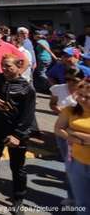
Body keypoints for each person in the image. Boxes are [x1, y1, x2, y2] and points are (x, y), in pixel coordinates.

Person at [0, 54, 36, 213]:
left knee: (18, 168)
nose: (4, 69)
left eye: (8, 66)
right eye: (3, 65)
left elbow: (28, 115)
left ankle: (18, 200)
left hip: (16, 134)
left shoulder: (26, 88)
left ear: (18, 66)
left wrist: (17, 135)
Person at [49, 66, 85, 205]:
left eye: (74, 80)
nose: (70, 83)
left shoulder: (86, 92)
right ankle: (72, 197)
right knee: (70, 166)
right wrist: (57, 109)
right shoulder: (58, 89)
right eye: (67, 79)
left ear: (82, 79)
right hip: (64, 133)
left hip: (82, 134)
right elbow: (52, 103)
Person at [54, 78, 90, 210]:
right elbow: (58, 129)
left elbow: (65, 129)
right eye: (80, 95)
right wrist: (79, 139)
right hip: (77, 163)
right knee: (82, 203)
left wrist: (73, 132)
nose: (82, 99)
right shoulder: (70, 110)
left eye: (87, 97)